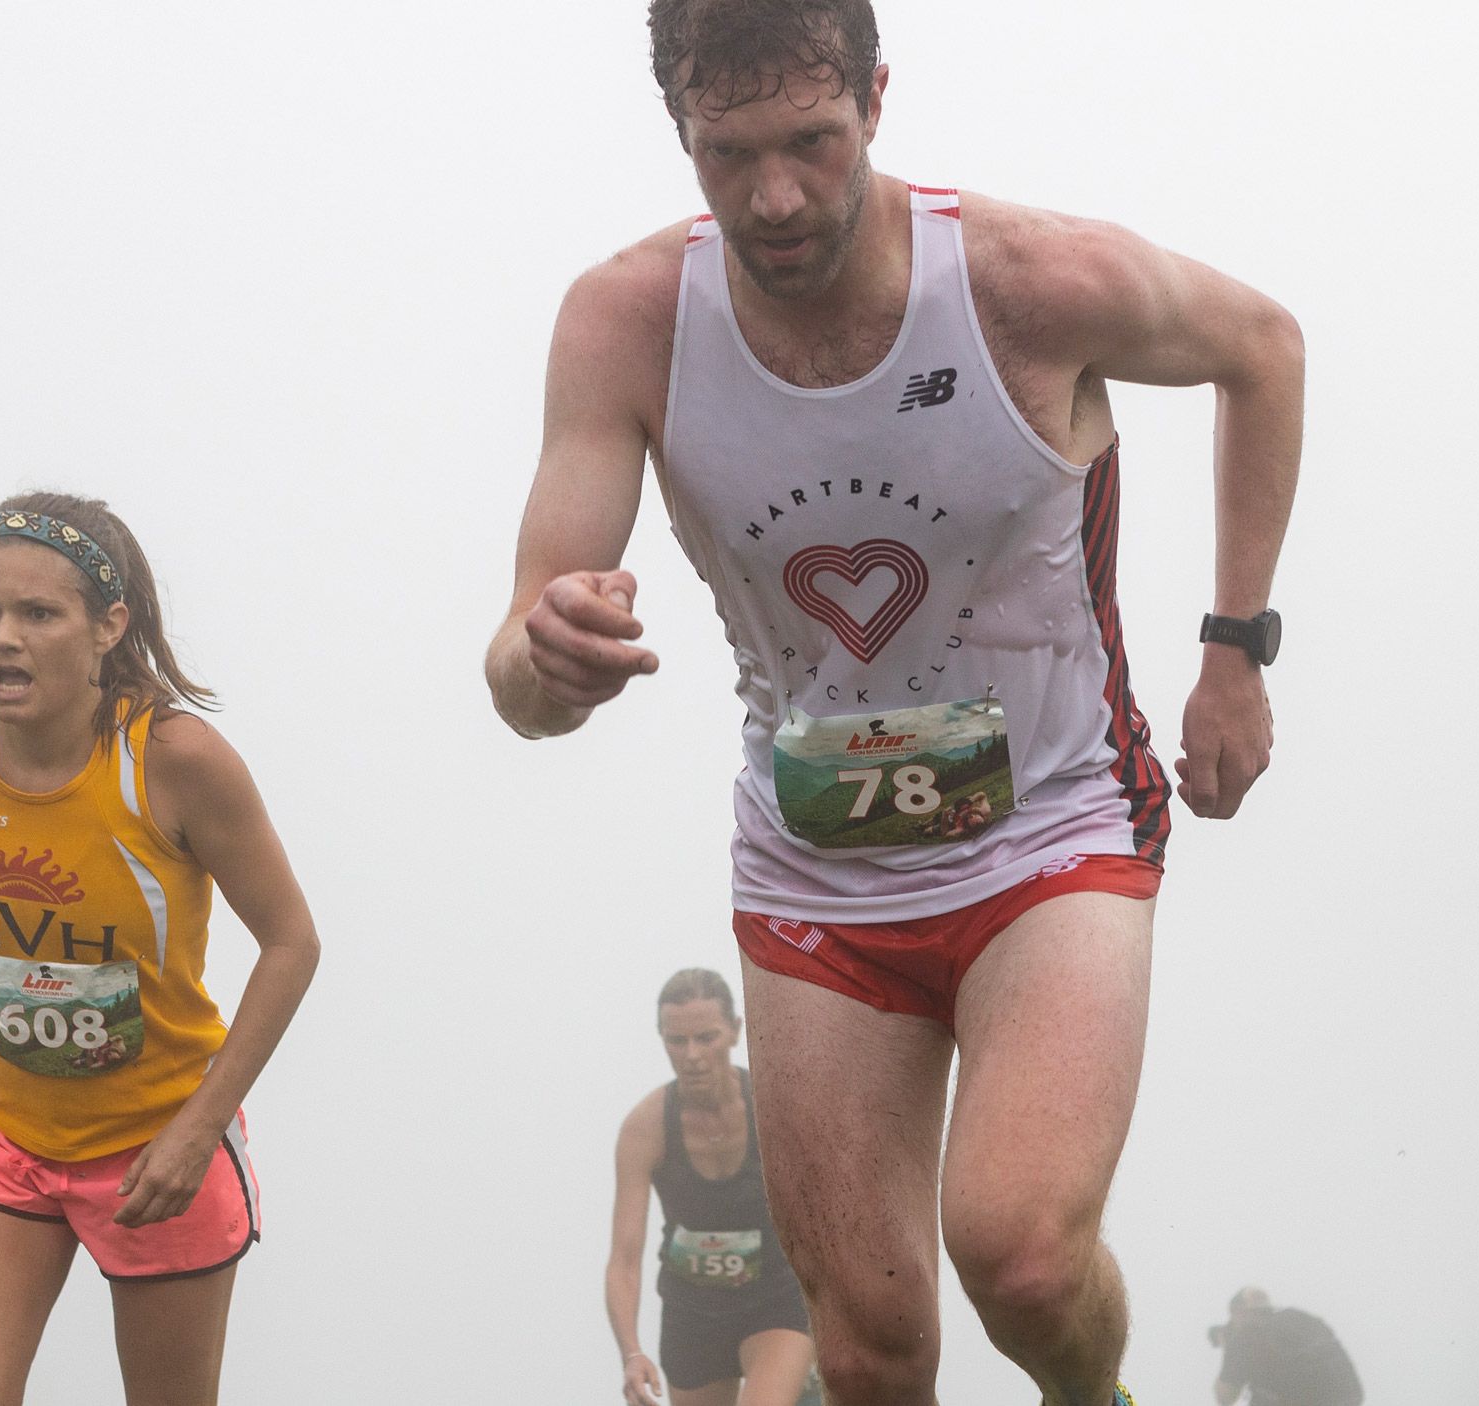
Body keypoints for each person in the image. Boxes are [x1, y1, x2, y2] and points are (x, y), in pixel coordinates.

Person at [482, 3, 1304, 1402]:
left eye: (811, 141)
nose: (777, 195)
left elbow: (1263, 346)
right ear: (681, 130)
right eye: (729, 155)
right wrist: (543, 653)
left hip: (1050, 827)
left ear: (876, 97)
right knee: (870, 1351)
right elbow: (519, 678)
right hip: (819, 872)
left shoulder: (1020, 279)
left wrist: (1235, 647)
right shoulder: (626, 323)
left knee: (1023, 1256)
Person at [0, 492, 321, 1405]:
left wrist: (198, 1130)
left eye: (38, 613)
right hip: (2, 1133)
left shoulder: (175, 760)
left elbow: (292, 944)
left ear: (108, 626)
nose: (3, 638)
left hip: (155, 1148)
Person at [608, 969, 815, 1406]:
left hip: (775, 1302)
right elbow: (625, 1259)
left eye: (706, 1037)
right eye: (677, 1041)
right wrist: (631, 1352)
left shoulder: (775, 1107)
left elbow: (828, 1216)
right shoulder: (645, 1129)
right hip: (692, 1314)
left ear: (735, 1032)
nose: (692, 1055)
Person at [1212, 1288, 1363, 1406]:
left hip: (1303, 1401)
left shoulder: (1246, 1335)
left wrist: (1228, 1348)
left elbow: (1226, 1397)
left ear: (1238, 1312)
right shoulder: (1301, 1318)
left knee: (1260, 1396)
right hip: (1347, 1397)